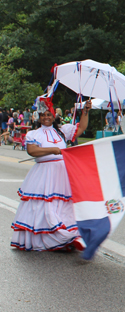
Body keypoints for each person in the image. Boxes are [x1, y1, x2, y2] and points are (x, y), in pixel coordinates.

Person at [10, 98, 92, 252]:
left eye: (49, 114)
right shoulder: (33, 134)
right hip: (43, 174)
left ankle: (69, 235)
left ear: (54, 116)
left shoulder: (62, 131)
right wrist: (54, 150)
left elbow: (81, 128)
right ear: (39, 117)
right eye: (43, 115)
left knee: (63, 206)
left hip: (62, 174)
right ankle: (53, 238)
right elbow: (33, 151)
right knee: (46, 207)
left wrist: (86, 111)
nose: (46, 117)